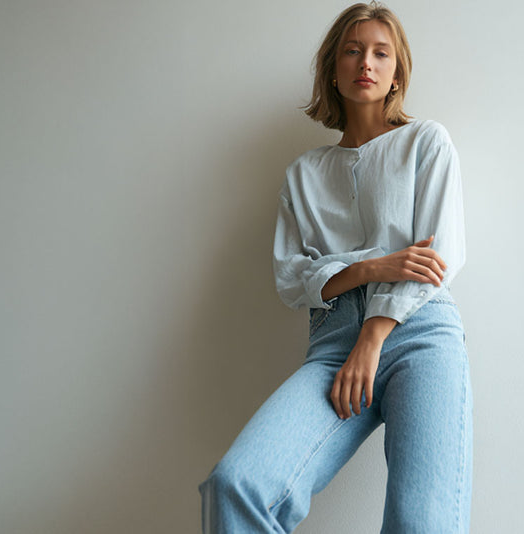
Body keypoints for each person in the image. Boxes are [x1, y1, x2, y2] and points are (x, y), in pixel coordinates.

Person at [197, 2, 472, 532]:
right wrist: (373, 266)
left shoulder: (426, 143)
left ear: (396, 72)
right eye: (352, 50)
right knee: (238, 484)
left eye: (380, 52)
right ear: (332, 68)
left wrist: (371, 335)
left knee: (422, 523)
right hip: (331, 347)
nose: (365, 62)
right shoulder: (304, 174)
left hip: (420, 334)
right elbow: (291, 277)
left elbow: (438, 256)